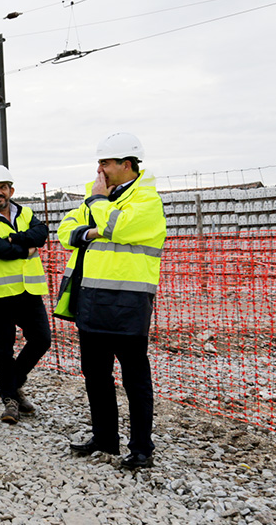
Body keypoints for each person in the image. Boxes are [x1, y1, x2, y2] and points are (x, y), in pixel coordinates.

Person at [57, 132, 165, 470]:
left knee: (135, 379)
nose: (99, 169)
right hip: (92, 302)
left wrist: (98, 207)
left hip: (128, 305)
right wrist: (90, 229)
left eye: (105, 162)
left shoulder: (146, 201)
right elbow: (66, 231)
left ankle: (142, 449)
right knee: (96, 375)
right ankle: (105, 438)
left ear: (126, 164)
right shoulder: (100, 201)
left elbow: (117, 227)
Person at [0, 165, 51, 424]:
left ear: (11, 190)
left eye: (2, 187)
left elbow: (41, 234)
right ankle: (10, 400)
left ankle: (11, 384)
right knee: (4, 346)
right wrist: (24, 248)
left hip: (29, 289)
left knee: (41, 339)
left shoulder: (26, 212)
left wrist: (14, 239)